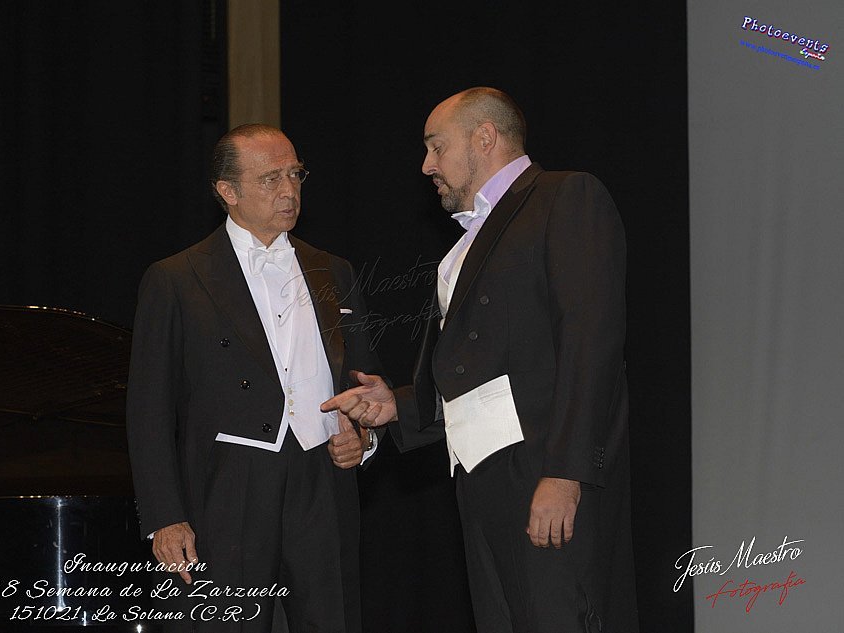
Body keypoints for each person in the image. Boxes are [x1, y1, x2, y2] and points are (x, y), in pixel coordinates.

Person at [322, 88, 638, 632]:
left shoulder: (565, 197)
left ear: (485, 137)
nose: (426, 165)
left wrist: (565, 473)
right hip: (482, 479)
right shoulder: (467, 241)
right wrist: (399, 406)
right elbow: (477, 369)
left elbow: (591, 345)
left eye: (436, 147)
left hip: (542, 471)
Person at [126, 123, 382, 633]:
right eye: (271, 179)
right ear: (228, 191)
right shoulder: (177, 278)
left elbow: (363, 382)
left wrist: (364, 436)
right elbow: (148, 410)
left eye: (295, 174)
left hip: (322, 479)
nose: (289, 190)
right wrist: (164, 516)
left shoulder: (333, 270)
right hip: (227, 485)